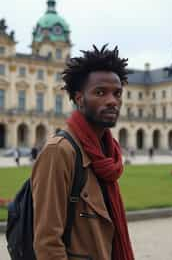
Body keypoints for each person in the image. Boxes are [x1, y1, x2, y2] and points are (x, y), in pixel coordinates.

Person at [31, 45, 135, 260]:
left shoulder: (108, 153)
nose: (112, 101)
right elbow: (48, 243)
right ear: (79, 98)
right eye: (100, 92)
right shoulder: (59, 151)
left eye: (117, 93)